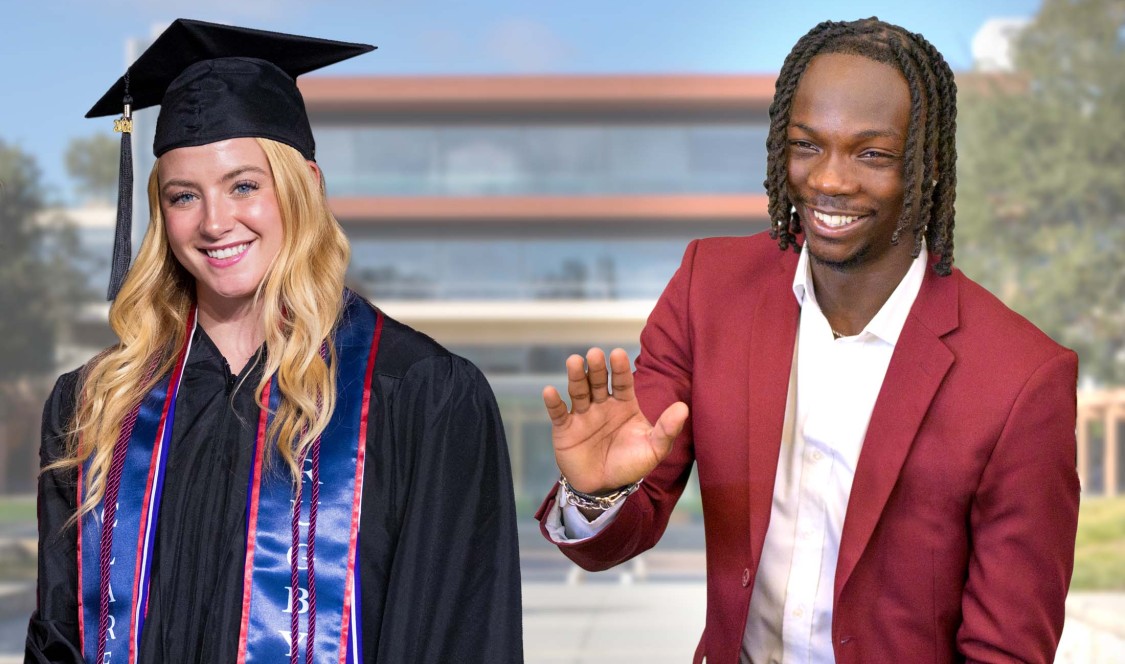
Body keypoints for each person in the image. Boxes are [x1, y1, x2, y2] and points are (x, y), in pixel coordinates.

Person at [537, 17, 1079, 664]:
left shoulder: (1020, 379)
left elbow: (1005, 650)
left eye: (870, 154)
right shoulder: (707, 289)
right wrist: (597, 494)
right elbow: (619, 531)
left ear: (926, 165)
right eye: (807, 145)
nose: (828, 180)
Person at [28, 19, 522, 663]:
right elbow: (59, 640)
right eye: (184, 196)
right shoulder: (96, 406)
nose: (213, 222)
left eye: (243, 185)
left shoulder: (417, 395)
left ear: (304, 187)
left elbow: (459, 637)